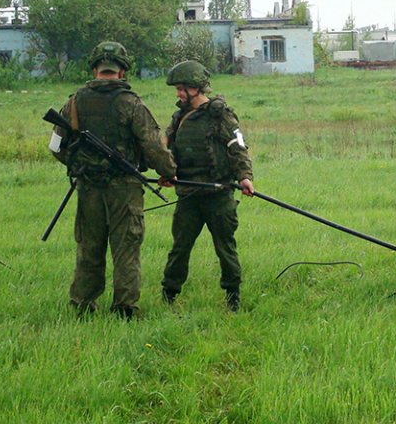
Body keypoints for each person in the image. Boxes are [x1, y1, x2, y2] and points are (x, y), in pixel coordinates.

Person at [49, 41, 176, 319]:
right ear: (122, 72)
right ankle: (124, 310)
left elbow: (56, 146)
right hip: (125, 189)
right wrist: (168, 172)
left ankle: (82, 306)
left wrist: (79, 165)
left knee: (89, 248)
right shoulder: (131, 104)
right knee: (126, 249)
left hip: (88, 188)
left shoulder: (74, 102)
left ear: (95, 69)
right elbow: (154, 145)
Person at [159, 60, 254, 312]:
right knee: (179, 248)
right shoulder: (179, 117)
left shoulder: (220, 115)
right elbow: (167, 149)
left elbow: (237, 147)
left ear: (196, 88)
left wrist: (244, 177)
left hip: (218, 195)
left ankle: (233, 297)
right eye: (177, 89)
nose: (178, 94)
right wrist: (167, 173)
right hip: (188, 196)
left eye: (181, 88)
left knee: (225, 248)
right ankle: (168, 294)